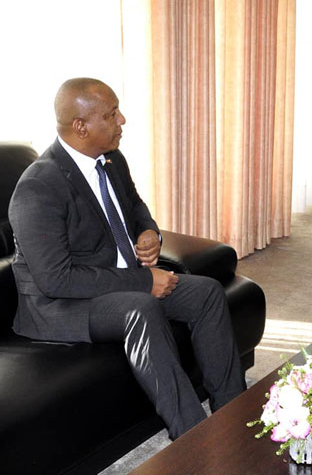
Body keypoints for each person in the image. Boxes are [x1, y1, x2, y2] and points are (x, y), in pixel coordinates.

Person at [8, 78, 246, 439]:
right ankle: (192, 438)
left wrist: (149, 232)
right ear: (81, 127)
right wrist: (145, 280)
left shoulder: (111, 159)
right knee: (142, 307)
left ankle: (233, 416)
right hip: (61, 304)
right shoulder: (38, 188)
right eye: (111, 114)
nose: (122, 120)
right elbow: (56, 280)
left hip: (116, 281)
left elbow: (134, 206)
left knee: (207, 293)